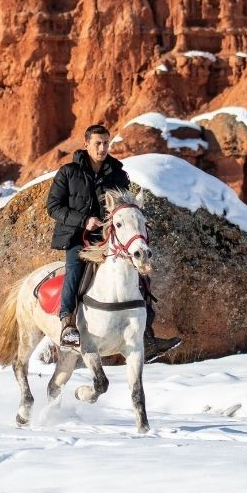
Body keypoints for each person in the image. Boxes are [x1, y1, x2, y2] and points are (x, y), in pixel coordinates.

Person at [45, 124, 182, 362]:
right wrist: (84, 221)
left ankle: (146, 337)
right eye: (97, 143)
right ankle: (68, 324)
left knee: (140, 275)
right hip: (79, 237)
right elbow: (53, 207)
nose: (102, 148)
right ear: (86, 144)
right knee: (74, 271)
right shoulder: (68, 172)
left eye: (106, 143)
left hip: (112, 238)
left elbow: (125, 203)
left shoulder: (117, 173)